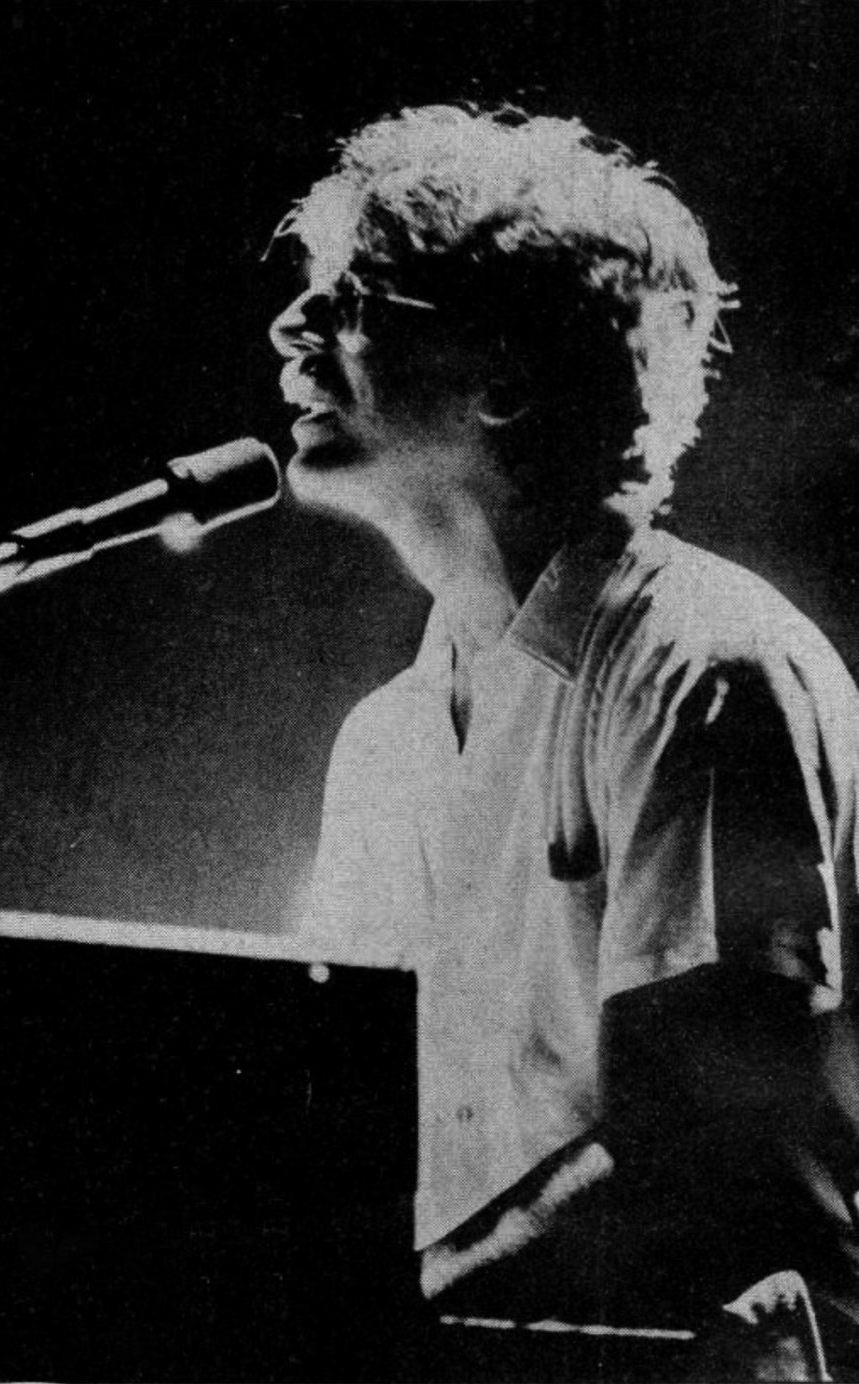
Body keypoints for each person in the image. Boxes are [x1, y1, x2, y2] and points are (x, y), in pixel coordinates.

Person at [277, 104, 859, 1379]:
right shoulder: (381, 744)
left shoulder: (704, 663)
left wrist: (353, 1324)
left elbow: (702, 1161)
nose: (291, 330)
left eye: (357, 296)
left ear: (507, 372)